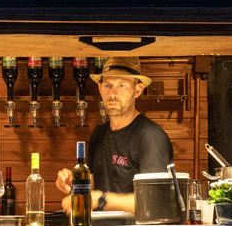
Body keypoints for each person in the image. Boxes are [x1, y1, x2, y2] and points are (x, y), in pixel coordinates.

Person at [54, 56, 173, 217]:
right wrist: (73, 182)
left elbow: (154, 201)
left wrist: (101, 200)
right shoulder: (99, 134)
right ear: (100, 88)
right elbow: (91, 188)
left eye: (122, 85)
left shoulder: (151, 137)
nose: (113, 93)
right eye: (108, 85)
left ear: (137, 90)